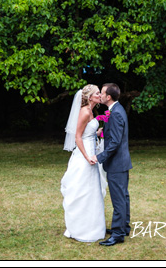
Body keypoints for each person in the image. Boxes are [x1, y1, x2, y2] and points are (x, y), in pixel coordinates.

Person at [61, 84, 107, 242]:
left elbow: (89, 132)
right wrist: (87, 157)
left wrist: (99, 132)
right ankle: (80, 228)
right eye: (97, 93)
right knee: (82, 191)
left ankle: (93, 226)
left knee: (92, 190)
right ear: (89, 97)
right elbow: (78, 137)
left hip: (92, 153)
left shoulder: (92, 111)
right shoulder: (85, 111)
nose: (100, 95)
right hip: (85, 155)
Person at [91, 83, 132, 246]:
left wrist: (99, 157)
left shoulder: (115, 113)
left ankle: (118, 233)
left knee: (119, 198)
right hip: (121, 161)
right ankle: (124, 226)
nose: (99, 95)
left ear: (108, 97)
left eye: (101, 93)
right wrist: (104, 130)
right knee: (123, 196)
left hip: (117, 163)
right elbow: (115, 133)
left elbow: (115, 142)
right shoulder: (116, 109)